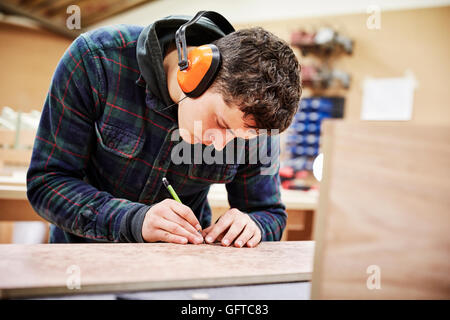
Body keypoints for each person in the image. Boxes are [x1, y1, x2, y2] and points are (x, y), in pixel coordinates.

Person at [26, 11, 301, 247]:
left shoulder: (252, 118)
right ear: (196, 70)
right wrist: (133, 220)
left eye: (235, 138)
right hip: (84, 261)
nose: (219, 145)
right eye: (220, 124)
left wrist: (252, 226)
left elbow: (269, 213)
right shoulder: (96, 61)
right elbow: (47, 183)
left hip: (181, 269)